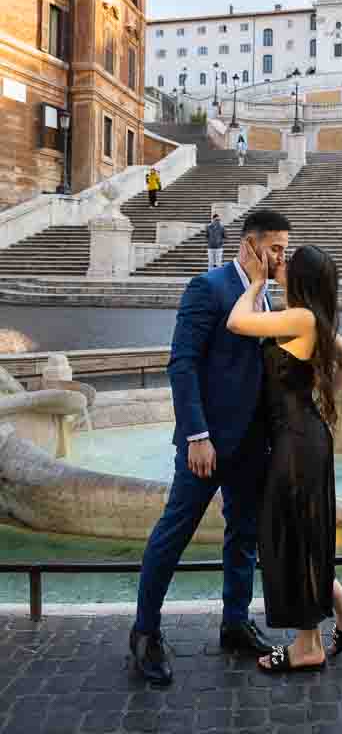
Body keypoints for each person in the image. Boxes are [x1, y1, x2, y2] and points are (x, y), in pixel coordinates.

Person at [129, 209, 292, 685]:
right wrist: (197, 435)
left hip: (251, 443)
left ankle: (235, 622)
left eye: (284, 248)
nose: (281, 257)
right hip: (208, 444)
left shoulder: (264, 296)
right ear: (250, 244)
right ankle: (144, 632)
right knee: (174, 532)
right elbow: (182, 364)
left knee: (243, 535)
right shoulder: (208, 287)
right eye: (276, 248)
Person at [227, 241, 342, 673]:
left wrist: (254, 282)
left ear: (304, 277)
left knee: (288, 537)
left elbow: (237, 322)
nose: (281, 264)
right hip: (302, 436)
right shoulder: (309, 320)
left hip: (295, 441)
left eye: (289, 262)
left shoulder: (300, 318)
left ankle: (308, 646)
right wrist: (323, 398)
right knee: (299, 533)